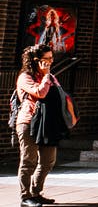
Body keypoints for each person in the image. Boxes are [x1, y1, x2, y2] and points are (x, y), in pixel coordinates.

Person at [16, 44, 58, 207]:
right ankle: (25, 197)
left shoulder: (50, 76)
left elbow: (58, 95)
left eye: (51, 58)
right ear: (36, 60)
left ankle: (36, 192)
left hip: (47, 124)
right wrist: (46, 76)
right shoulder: (25, 77)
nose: (50, 61)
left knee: (48, 161)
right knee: (29, 161)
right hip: (28, 122)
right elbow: (40, 93)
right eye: (47, 59)